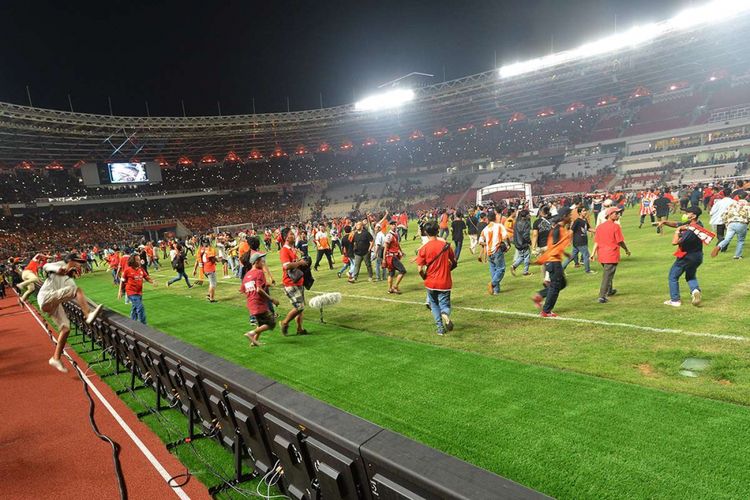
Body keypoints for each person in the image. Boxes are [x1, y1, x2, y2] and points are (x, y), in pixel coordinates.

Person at [37, 253, 103, 373]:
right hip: (45, 297)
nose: (80, 266)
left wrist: (95, 307)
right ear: (71, 261)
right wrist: (59, 269)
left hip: (52, 304)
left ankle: (55, 358)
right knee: (77, 290)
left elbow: (82, 298)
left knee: (66, 329)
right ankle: (88, 315)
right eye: (78, 263)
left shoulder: (70, 281)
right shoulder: (60, 264)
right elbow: (46, 266)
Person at [415, 221, 457, 336]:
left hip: (430, 282)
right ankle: (445, 315)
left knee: (434, 304)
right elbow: (454, 262)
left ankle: (440, 328)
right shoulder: (446, 245)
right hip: (444, 282)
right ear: (438, 231)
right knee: (445, 305)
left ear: (425, 232)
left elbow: (419, 269)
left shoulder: (424, 248)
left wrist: (424, 277)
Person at [532, 207, 573, 317]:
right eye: (569, 215)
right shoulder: (558, 230)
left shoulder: (558, 228)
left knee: (562, 283)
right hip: (553, 262)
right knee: (555, 286)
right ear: (564, 216)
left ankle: (540, 295)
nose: (571, 217)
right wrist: (569, 235)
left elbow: (554, 245)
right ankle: (546, 311)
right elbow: (554, 245)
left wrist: (564, 253)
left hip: (552, 261)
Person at [662, 207, 707, 307]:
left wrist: (677, 231)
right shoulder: (698, 224)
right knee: (690, 276)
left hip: (686, 257)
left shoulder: (690, 231)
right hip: (698, 256)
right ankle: (695, 291)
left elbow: (674, 242)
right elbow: (677, 224)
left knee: (673, 276)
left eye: (687, 213)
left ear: (694, 216)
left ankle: (675, 300)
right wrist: (664, 222)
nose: (685, 214)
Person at [591, 207, 631, 303]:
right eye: (616, 213)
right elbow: (620, 241)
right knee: (607, 275)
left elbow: (597, 241)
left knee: (608, 273)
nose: (618, 215)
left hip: (602, 254)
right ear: (609, 215)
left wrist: (593, 253)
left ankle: (610, 290)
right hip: (611, 254)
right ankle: (602, 296)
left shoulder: (600, 227)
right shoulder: (615, 226)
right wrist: (626, 249)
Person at [240, 253, 279, 347]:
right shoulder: (259, 272)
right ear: (256, 262)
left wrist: (265, 285)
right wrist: (272, 299)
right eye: (262, 261)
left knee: (261, 323)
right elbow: (259, 289)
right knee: (271, 323)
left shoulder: (247, 275)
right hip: (259, 303)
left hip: (251, 303)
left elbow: (243, 290)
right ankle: (251, 333)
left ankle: (254, 342)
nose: (263, 263)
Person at [279, 228, 309, 335]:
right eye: (291, 234)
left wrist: (302, 262)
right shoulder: (284, 250)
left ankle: (299, 329)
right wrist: (300, 263)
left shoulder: (292, 249)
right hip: (290, 283)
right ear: (286, 238)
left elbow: (294, 263)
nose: (294, 235)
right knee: (299, 307)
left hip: (298, 281)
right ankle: (284, 323)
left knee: (300, 308)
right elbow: (286, 266)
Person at [118, 254, 156, 324]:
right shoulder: (127, 270)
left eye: (139, 259)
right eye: (137, 260)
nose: (139, 261)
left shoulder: (141, 269)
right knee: (140, 307)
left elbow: (146, 277)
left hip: (139, 292)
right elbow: (122, 281)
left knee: (135, 308)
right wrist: (120, 291)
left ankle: (132, 321)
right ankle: (143, 324)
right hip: (131, 292)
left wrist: (152, 282)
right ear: (133, 261)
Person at [478, 211, 509, 295]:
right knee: (501, 269)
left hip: (489, 252)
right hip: (497, 250)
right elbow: (505, 236)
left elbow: (480, 241)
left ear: (488, 219)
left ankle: (496, 290)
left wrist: (487, 243)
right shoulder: (499, 226)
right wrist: (507, 246)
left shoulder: (485, 229)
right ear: (495, 218)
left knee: (494, 270)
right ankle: (492, 284)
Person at [562, 207, 594, 273]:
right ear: (579, 213)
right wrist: (569, 241)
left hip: (580, 241)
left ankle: (561, 268)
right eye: (583, 211)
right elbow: (571, 231)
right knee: (586, 255)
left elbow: (588, 228)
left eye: (585, 211)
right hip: (580, 242)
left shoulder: (584, 220)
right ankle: (588, 271)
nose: (585, 212)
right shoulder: (577, 221)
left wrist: (596, 230)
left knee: (572, 256)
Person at [383, 220, 407, 294]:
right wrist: (384, 259)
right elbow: (385, 248)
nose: (394, 226)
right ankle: (395, 287)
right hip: (391, 257)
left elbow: (397, 244)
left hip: (392, 256)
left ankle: (390, 289)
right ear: (390, 226)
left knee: (391, 273)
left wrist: (401, 251)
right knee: (402, 270)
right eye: (392, 224)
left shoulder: (395, 234)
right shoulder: (389, 235)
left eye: (395, 224)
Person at [510, 209, 532, 276]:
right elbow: (526, 235)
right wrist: (529, 242)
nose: (530, 215)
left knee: (522, 256)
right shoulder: (526, 223)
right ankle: (525, 271)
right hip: (523, 243)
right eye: (529, 214)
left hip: (517, 243)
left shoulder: (517, 222)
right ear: (525, 216)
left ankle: (514, 266)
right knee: (527, 256)